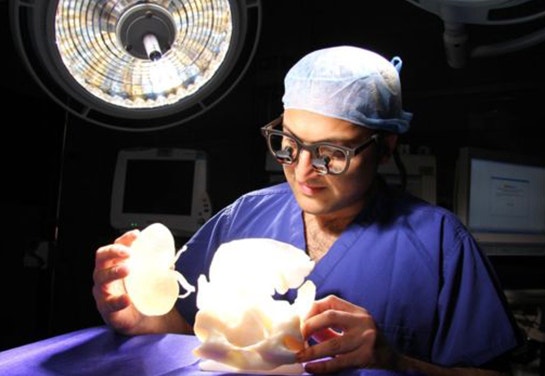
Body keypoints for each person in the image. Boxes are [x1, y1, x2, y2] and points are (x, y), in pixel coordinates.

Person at [93, 45, 523, 375]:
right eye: (289, 143)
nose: (302, 171)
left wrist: (395, 362)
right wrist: (141, 315)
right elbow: (188, 334)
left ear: (386, 149)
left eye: (332, 153)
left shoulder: (441, 244)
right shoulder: (243, 218)